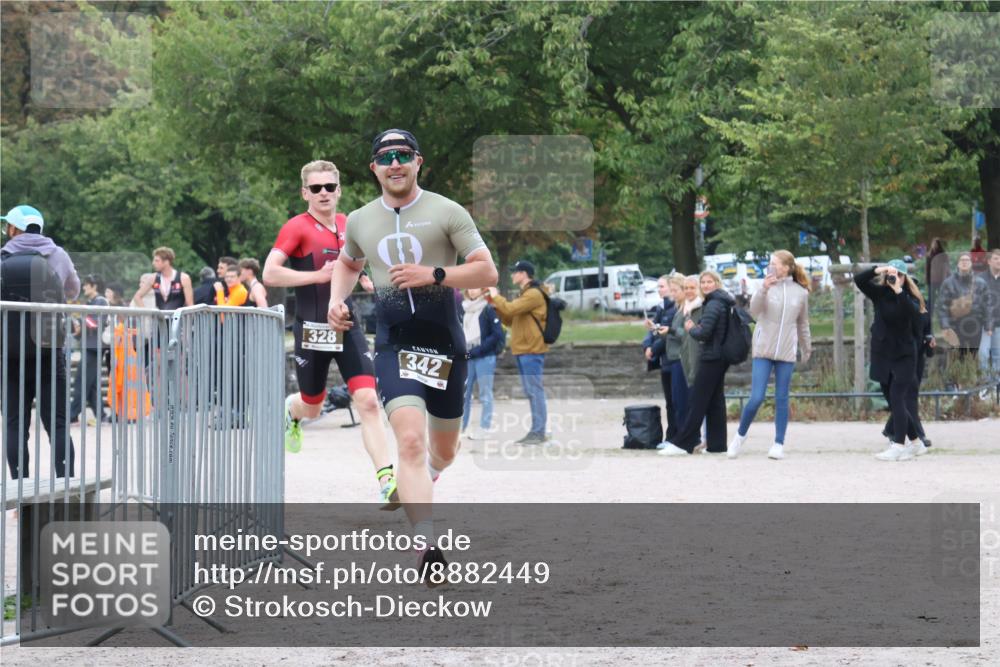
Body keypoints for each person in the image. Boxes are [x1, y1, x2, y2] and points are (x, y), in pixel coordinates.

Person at [326, 129, 497, 579]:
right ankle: (426, 546)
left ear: (418, 161)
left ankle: (427, 478)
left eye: (403, 155)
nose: (395, 163)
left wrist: (434, 274)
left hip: (446, 345)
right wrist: (335, 300)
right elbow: (348, 262)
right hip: (395, 343)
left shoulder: (447, 210)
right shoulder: (361, 219)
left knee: (445, 449)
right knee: (409, 441)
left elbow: (488, 270)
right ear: (374, 168)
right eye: (386, 157)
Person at [264, 159, 398, 508]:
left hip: (346, 323)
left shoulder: (350, 224)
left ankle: (387, 480)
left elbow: (356, 261)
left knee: (368, 401)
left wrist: (365, 277)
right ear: (304, 192)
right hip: (311, 328)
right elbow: (270, 274)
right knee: (313, 405)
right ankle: (291, 412)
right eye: (316, 188)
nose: (323, 193)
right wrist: (316, 277)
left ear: (339, 190)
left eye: (329, 187)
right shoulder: (296, 227)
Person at [1, 205, 78, 478]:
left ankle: (19, 487)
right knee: (57, 423)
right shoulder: (57, 254)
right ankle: (65, 484)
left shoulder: (3, 256)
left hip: (10, 351)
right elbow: (73, 289)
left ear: (15, 229)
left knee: (14, 423)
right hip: (48, 345)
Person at [729, 250, 812, 460]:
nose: (771, 266)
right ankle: (740, 436)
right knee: (756, 397)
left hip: (786, 350)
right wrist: (763, 290)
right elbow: (753, 312)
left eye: (775, 263)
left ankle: (778, 443)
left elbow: (803, 323)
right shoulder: (765, 286)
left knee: (782, 397)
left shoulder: (800, 292)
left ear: (786, 267)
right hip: (763, 348)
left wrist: (806, 346)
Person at [855, 260, 926, 461]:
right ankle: (917, 443)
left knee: (898, 398)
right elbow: (858, 280)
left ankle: (898, 444)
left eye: (900, 275)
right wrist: (879, 269)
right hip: (883, 354)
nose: (895, 278)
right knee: (893, 402)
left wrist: (898, 290)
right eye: (892, 275)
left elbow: (914, 316)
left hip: (905, 355)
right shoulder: (880, 294)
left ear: (906, 278)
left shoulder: (911, 297)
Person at [659, 271, 735, 456]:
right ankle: (717, 445)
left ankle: (683, 443)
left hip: (709, 356)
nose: (706, 285)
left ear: (717, 283)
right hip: (715, 356)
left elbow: (704, 333)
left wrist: (692, 328)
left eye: (709, 282)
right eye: (704, 282)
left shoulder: (713, 303)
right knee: (715, 402)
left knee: (697, 402)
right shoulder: (717, 301)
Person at [487, 260, 549, 444]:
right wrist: (495, 305)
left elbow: (511, 308)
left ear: (524, 274)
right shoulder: (525, 295)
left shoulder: (534, 294)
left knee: (535, 390)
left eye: (515, 272)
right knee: (531, 391)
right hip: (523, 349)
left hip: (532, 349)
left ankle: (539, 432)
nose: (513, 275)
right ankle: (536, 430)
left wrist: (496, 296)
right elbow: (510, 318)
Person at [883, 277, 935, 449]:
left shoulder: (921, 302)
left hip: (918, 352)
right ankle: (917, 435)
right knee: (908, 395)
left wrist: (930, 337)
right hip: (903, 353)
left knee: (910, 394)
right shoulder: (897, 302)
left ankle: (891, 429)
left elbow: (927, 325)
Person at [461, 287, 505, 439]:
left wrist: (478, 350)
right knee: (464, 394)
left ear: (482, 290)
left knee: (485, 394)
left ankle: (484, 428)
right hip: (468, 356)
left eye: (476, 287)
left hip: (484, 357)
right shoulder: (465, 309)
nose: (472, 291)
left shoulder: (488, 309)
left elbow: (497, 334)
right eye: (470, 287)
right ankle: (461, 428)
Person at [642, 275, 681, 442]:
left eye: (663, 286)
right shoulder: (661, 308)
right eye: (658, 287)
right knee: (669, 401)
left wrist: (653, 348)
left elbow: (668, 334)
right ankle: (671, 435)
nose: (660, 290)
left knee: (675, 400)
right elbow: (655, 330)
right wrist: (647, 345)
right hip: (664, 360)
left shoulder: (674, 309)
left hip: (673, 359)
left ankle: (675, 436)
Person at [70, 274, 110, 425]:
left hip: (94, 347)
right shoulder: (91, 302)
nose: (84, 287)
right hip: (90, 346)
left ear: (94, 286)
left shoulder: (100, 301)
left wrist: (80, 319)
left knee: (82, 381)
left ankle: (71, 415)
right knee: (91, 384)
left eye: (86, 284)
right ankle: (101, 415)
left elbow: (96, 324)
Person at [937, 252, 988, 360]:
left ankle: (970, 376)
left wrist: (988, 324)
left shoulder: (980, 283)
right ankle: (956, 377)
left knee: (973, 356)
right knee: (956, 356)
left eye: (967, 260)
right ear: (958, 263)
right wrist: (945, 325)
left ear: (971, 263)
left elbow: (987, 304)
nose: (964, 262)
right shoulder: (948, 283)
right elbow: (942, 306)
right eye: (962, 260)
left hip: (975, 325)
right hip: (955, 325)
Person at [979, 249, 1000, 379]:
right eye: (996, 258)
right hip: (985, 325)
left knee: (998, 356)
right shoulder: (981, 279)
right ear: (989, 261)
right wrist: (988, 323)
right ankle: (985, 385)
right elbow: (979, 303)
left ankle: (997, 387)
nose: (999, 261)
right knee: (984, 355)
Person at [925, 238, 949, 317]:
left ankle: (943, 315)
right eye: (933, 244)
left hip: (941, 280)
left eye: (936, 244)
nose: (934, 246)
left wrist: (945, 279)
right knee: (931, 298)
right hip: (932, 280)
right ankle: (929, 315)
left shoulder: (943, 255)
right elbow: (927, 268)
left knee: (942, 298)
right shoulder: (929, 255)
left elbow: (946, 268)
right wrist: (927, 279)